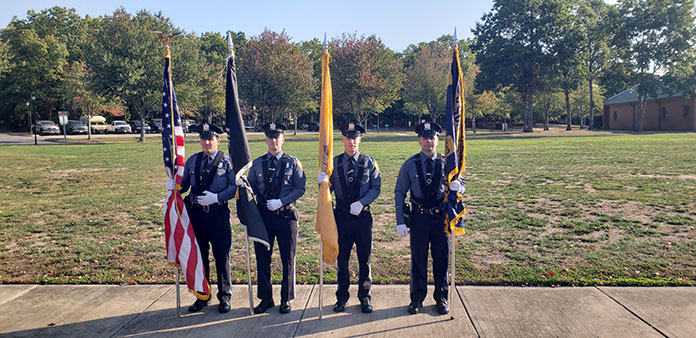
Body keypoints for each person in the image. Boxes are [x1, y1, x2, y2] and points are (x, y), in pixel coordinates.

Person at [393, 121, 465, 315]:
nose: (428, 142)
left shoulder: (447, 163)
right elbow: (400, 192)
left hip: (441, 219)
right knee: (418, 260)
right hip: (419, 219)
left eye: (432, 138)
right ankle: (416, 299)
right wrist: (400, 220)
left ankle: (441, 298)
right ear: (419, 140)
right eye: (424, 138)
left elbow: (461, 181)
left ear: (437, 139)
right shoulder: (409, 164)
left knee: (441, 259)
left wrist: (460, 187)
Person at [166, 123, 237, 313]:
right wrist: (174, 185)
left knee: (222, 257)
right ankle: (202, 295)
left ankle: (224, 297)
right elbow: (186, 185)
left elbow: (234, 188)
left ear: (217, 141)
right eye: (204, 139)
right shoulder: (192, 161)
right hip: (196, 216)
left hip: (218, 215)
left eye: (211, 139)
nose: (207, 143)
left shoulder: (227, 162)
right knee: (199, 256)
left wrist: (217, 197)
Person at [318, 122, 381, 314]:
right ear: (343, 138)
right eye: (348, 137)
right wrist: (323, 184)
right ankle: (342, 297)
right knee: (342, 259)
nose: (351, 142)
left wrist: (362, 203)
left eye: (355, 138)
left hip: (362, 218)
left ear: (360, 139)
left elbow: (376, 188)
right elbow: (328, 191)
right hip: (342, 218)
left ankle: (365, 297)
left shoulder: (370, 162)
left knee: (364, 259)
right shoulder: (333, 163)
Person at [248, 122, 306, 314]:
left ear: (283, 139)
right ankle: (266, 299)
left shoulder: (293, 162)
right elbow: (252, 188)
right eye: (270, 138)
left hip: (285, 216)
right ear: (266, 140)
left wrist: (281, 201)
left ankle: (285, 299)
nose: (274, 141)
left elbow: (300, 188)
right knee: (262, 259)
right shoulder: (257, 163)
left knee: (287, 259)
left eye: (277, 137)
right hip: (264, 217)